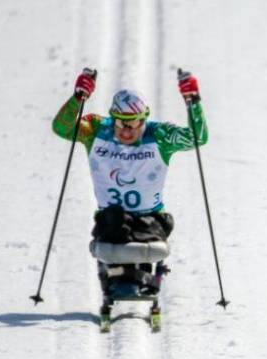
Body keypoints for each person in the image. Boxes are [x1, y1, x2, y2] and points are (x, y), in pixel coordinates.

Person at [51, 68, 208, 244]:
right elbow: (61, 128)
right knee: (113, 231)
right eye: (120, 122)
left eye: (134, 122)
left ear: (144, 119)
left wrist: (193, 101)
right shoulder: (96, 129)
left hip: (151, 219)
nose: (126, 131)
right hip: (110, 221)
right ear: (112, 118)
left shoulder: (159, 135)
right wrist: (78, 97)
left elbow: (197, 138)